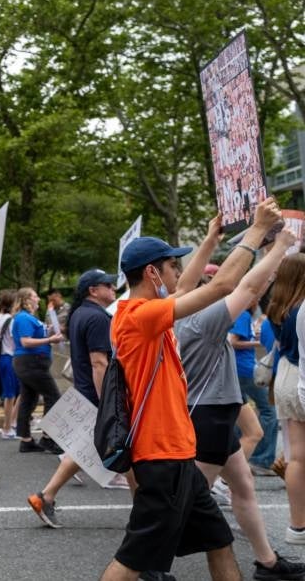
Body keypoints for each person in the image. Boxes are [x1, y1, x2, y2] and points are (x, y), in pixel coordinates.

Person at [100, 197, 281, 581]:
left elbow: (182, 287)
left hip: (179, 452)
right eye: (170, 264)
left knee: (218, 540)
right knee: (134, 559)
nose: (177, 271)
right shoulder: (140, 317)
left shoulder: (145, 311)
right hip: (161, 457)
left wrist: (210, 240)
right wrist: (259, 230)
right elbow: (224, 285)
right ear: (151, 273)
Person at [174, 233, 304, 580]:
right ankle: (145, 563)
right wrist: (277, 247)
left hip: (214, 410)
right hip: (210, 414)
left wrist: (212, 238)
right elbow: (246, 288)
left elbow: (193, 280)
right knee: (187, 499)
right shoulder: (203, 321)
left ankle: (268, 562)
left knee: (243, 485)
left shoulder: (179, 307)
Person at [29, 268, 118, 528]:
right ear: (94, 290)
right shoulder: (99, 318)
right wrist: (106, 403)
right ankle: (146, 515)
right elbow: (99, 362)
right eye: (108, 285)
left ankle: (45, 496)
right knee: (117, 448)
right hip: (96, 393)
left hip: (84, 389)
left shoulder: (79, 314)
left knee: (90, 448)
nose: (113, 289)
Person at [267, 253, 305, 546]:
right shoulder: (300, 309)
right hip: (298, 373)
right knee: (299, 458)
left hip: (285, 374)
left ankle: (297, 525)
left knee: (296, 457)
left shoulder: (278, 308)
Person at [11, 287, 63, 453]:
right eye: (35, 296)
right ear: (26, 299)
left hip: (28, 362)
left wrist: (47, 331)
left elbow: (34, 336)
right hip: (31, 362)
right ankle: (48, 438)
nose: (38, 299)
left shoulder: (27, 318)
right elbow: (26, 341)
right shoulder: (24, 318)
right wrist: (50, 339)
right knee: (53, 396)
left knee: (28, 399)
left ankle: (26, 439)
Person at [231, 305, 279, 475]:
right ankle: (261, 460)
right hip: (245, 369)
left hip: (236, 369)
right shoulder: (243, 314)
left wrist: (254, 336)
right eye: (256, 297)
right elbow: (233, 341)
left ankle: (235, 455)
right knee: (269, 410)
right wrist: (258, 342)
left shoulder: (238, 313)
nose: (258, 301)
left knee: (238, 413)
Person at [0, 290, 20, 439]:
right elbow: (16, 340)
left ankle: (10, 424)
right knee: (10, 395)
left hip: (1, 358)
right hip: (9, 357)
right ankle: (7, 427)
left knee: (11, 394)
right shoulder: (11, 320)